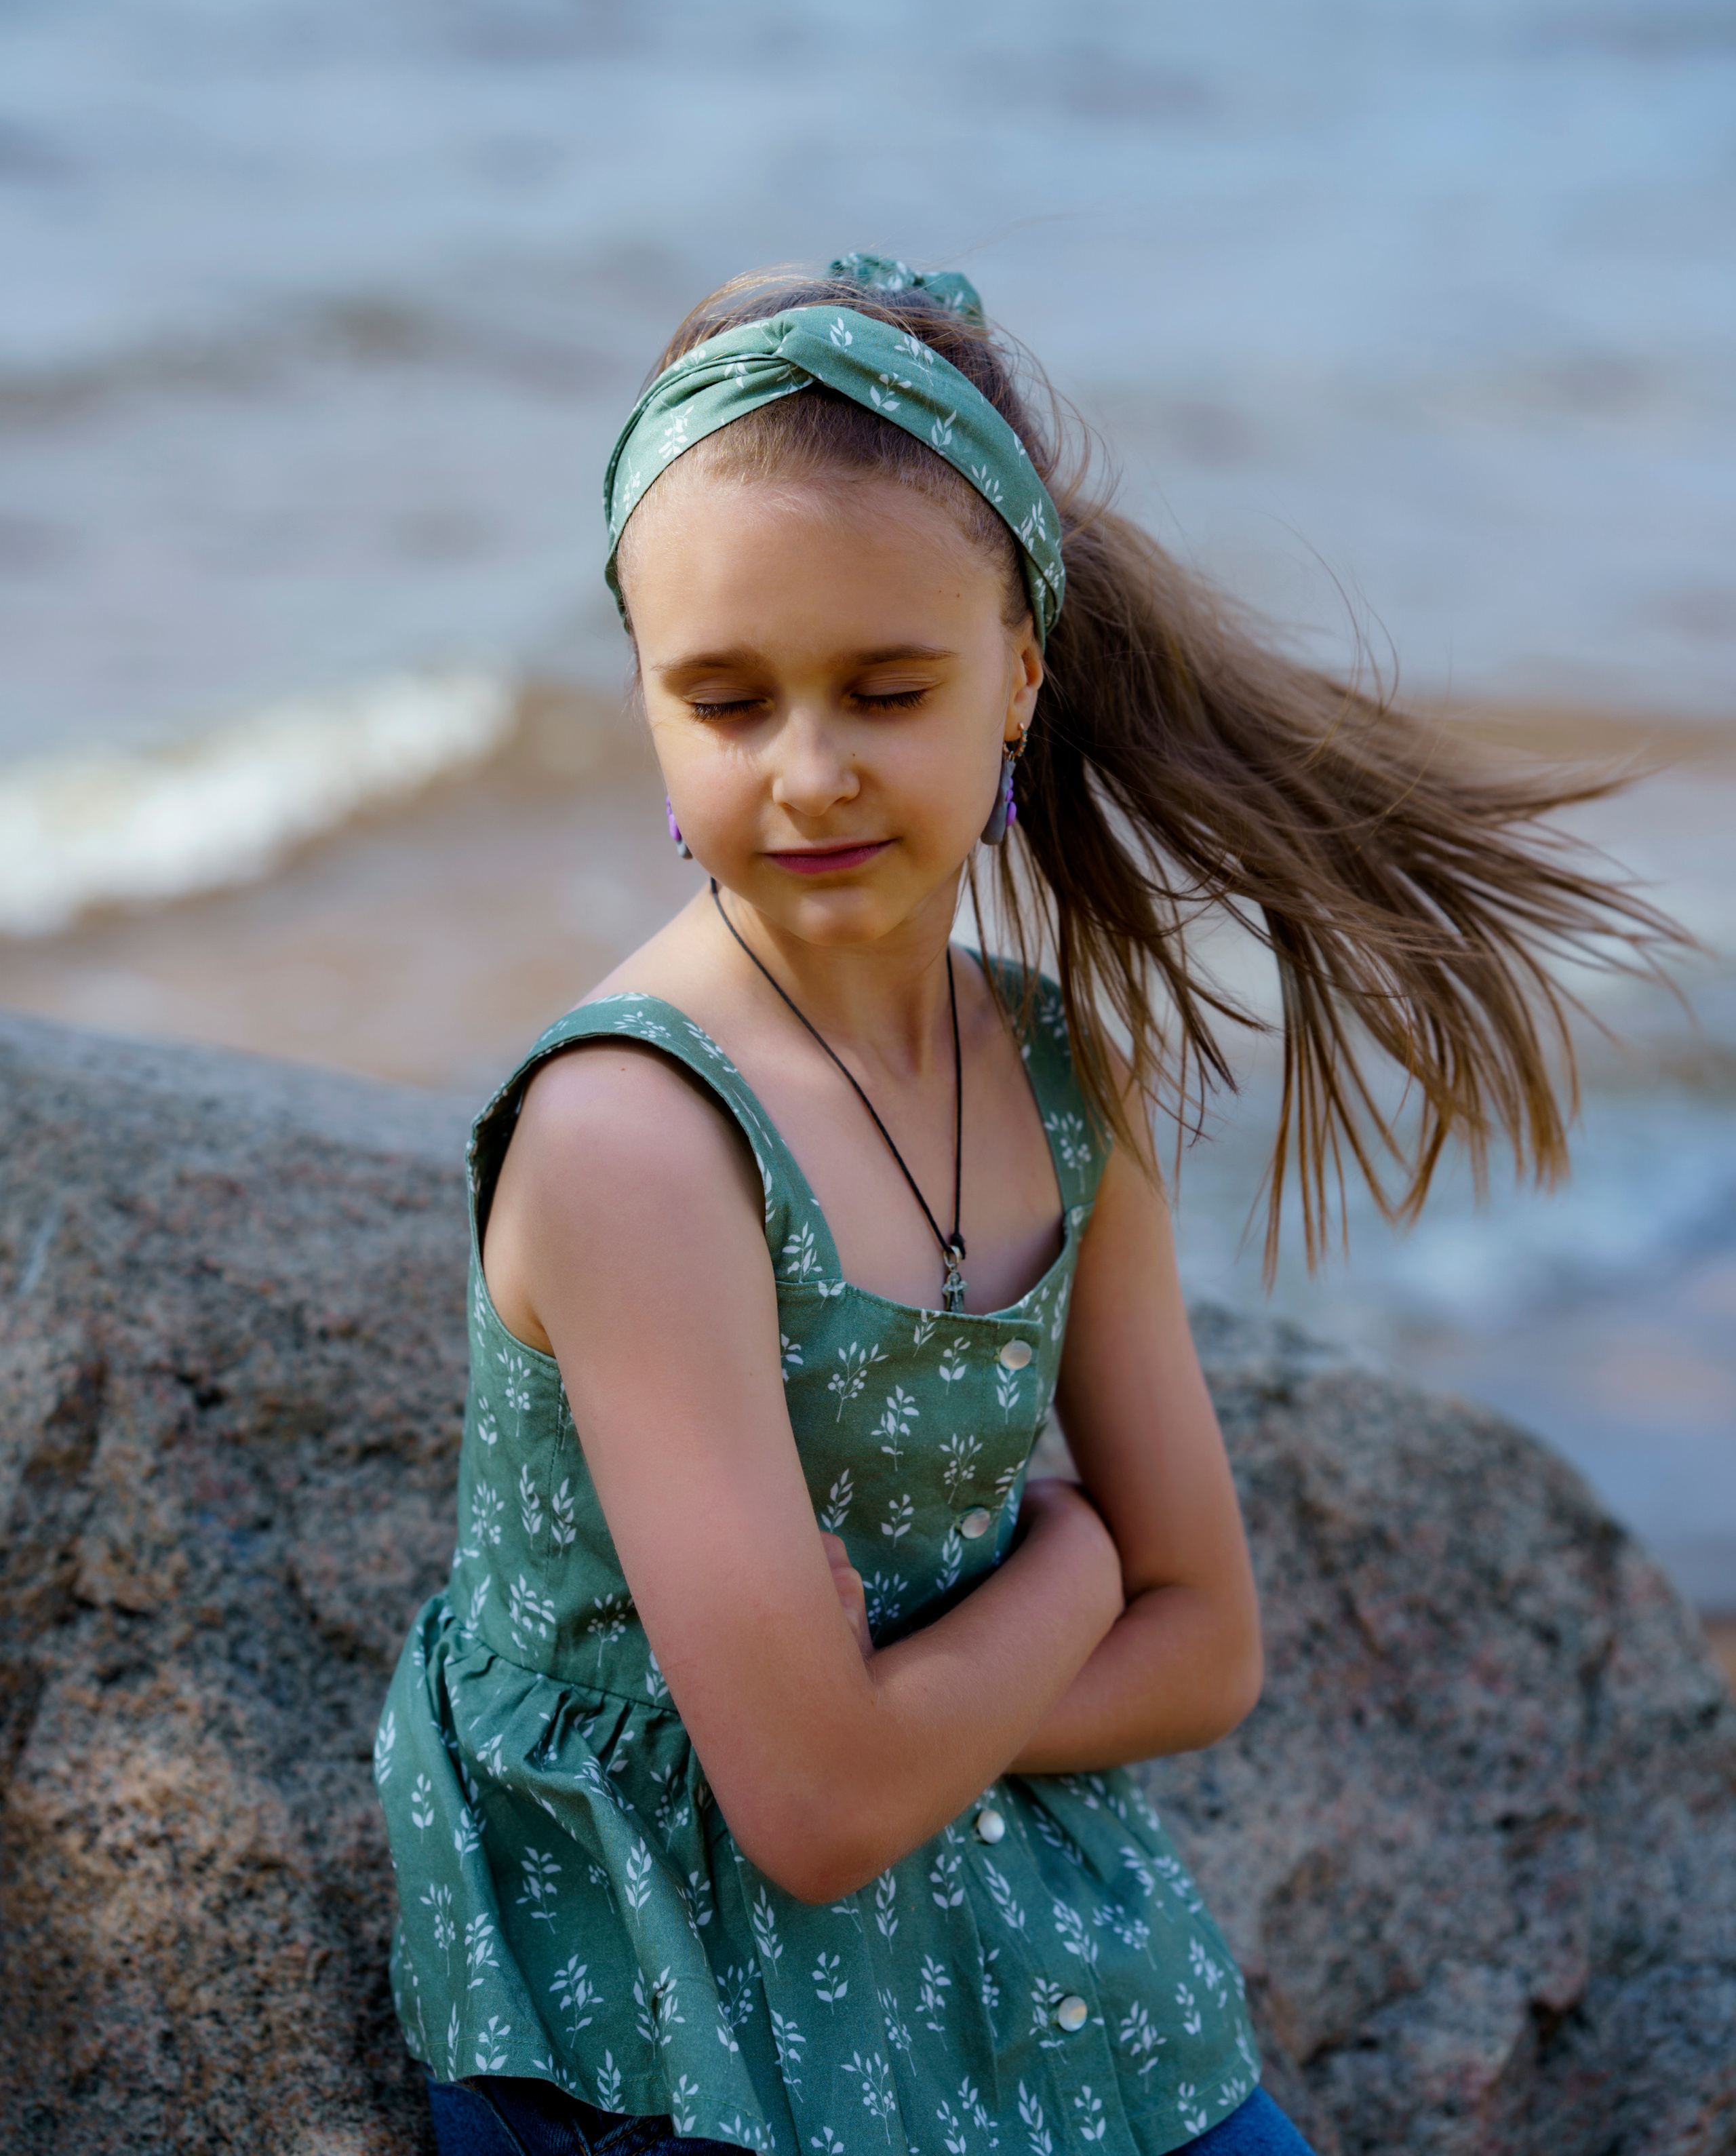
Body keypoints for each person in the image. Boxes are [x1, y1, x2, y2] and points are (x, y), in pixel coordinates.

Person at [376, 256, 1660, 2156]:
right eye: (724, 701)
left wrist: (900, 1724)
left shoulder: (1062, 1079)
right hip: (655, 1986)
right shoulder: (635, 1142)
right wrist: (1061, 1574)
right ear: (643, 698)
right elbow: (805, 1813)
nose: (806, 770)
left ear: (1018, 682)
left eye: (886, 690)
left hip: (986, 1853)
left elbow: (1208, 1648)